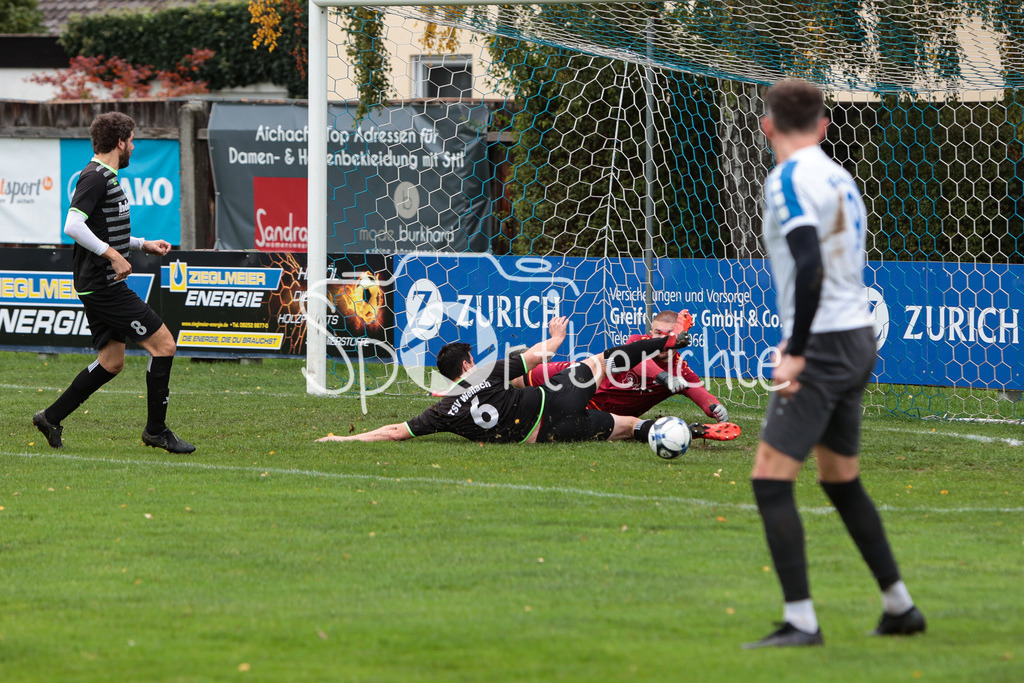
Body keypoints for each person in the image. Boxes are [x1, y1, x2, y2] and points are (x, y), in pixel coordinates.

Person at [743, 79, 923, 649]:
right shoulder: (839, 177)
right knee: (840, 480)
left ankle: (801, 622)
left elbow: (809, 263)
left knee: (770, 481)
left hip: (820, 346)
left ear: (768, 125)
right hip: (856, 338)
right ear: (823, 126)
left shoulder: (788, 178)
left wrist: (794, 350)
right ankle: (900, 607)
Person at [32, 112, 194, 454]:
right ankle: (156, 431)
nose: (133, 146)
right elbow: (73, 226)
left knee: (111, 361)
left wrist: (140, 244)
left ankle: (51, 417)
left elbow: (105, 229)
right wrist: (114, 256)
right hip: (103, 284)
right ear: (120, 142)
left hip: (99, 283)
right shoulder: (94, 177)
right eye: (132, 140)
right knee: (164, 345)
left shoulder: (106, 176)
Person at [318, 313, 693, 446]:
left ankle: (666, 432)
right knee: (602, 360)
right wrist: (557, 338)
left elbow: (394, 431)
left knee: (625, 427)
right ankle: (666, 342)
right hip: (555, 400)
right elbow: (537, 355)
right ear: (467, 365)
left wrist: (344, 439)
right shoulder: (485, 372)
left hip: (546, 436)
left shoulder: (443, 411)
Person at [517, 310, 739, 441]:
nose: (661, 338)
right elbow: (640, 362)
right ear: (650, 333)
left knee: (544, 420)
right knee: (516, 379)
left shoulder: (680, 369)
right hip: (575, 378)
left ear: (678, 338)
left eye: (668, 334)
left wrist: (715, 407)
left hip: (593, 409)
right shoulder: (636, 343)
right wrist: (662, 377)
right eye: (657, 333)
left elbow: (695, 389)